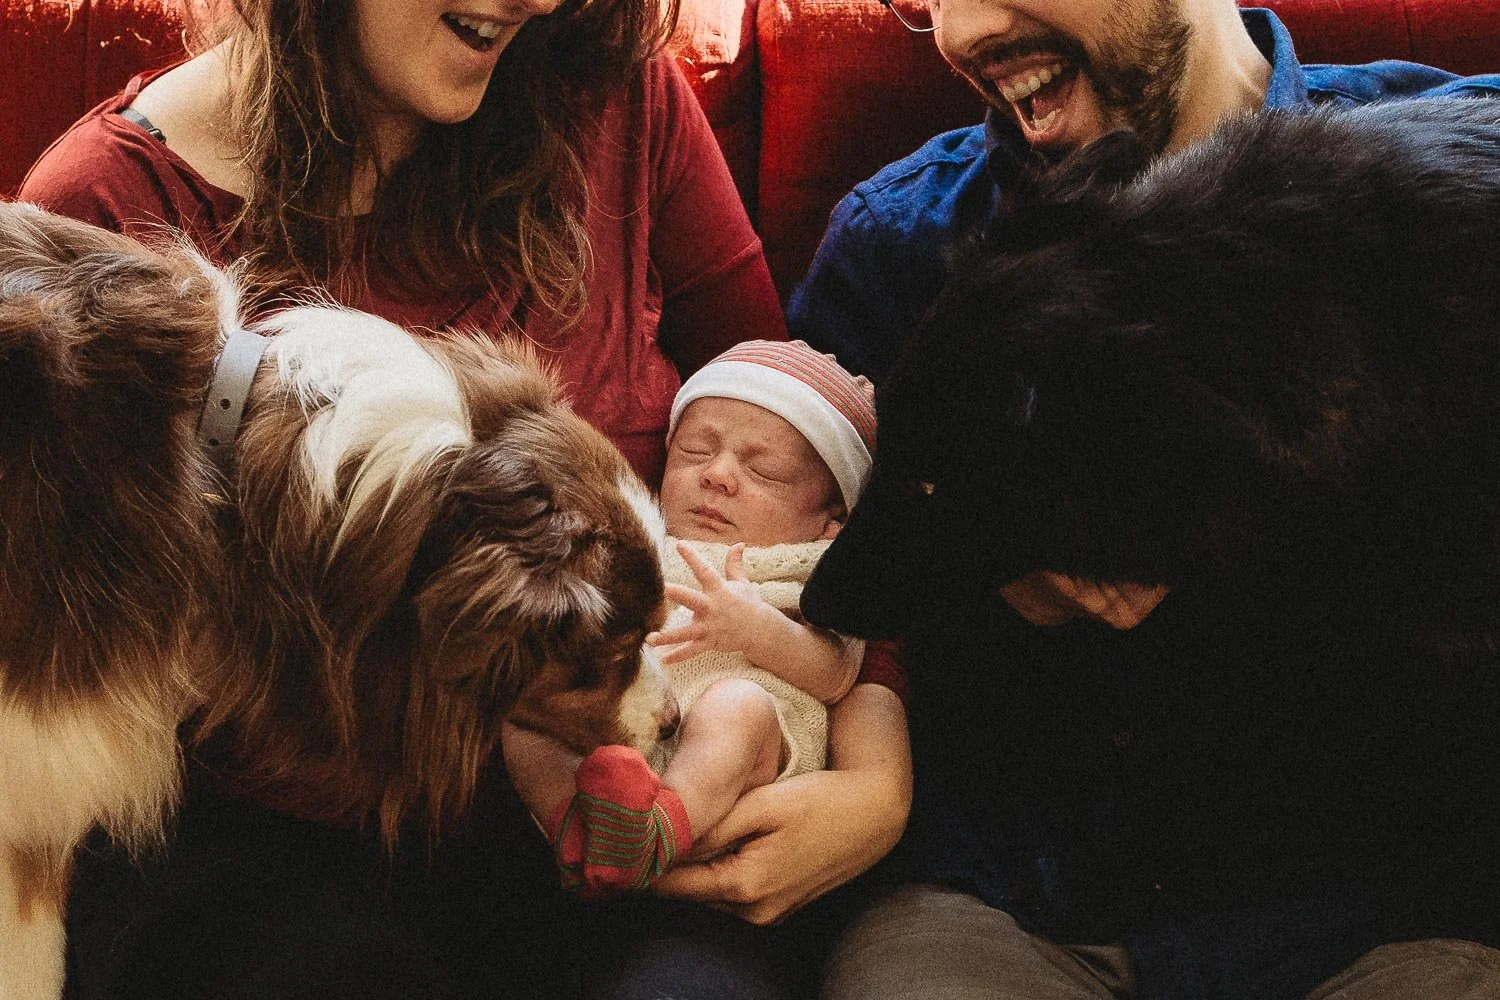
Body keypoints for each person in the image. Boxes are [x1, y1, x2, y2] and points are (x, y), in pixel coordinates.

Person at [19, 1, 910, 997]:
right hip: (274, 852)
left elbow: (808, 464)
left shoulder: (613, 94)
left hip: (649, 798)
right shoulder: (109, 206)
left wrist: (875, 786)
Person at [782, 0, 1500, 997]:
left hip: (1393, 918)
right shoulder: (897, 243)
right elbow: (799, 580)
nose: (959, 30)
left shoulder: (1459, 182)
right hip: (1010, 913)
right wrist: (991, 599)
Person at [503, 339, 877, 897]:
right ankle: (576, 832)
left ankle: (653, 837)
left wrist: (757, 630)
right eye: (696, 451)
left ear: (832, 520)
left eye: (765, 471)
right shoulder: (643, 541)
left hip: (739, 763)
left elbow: (837, 673)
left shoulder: (817, 574)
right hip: (619, 735)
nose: (718, 475)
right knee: (523, 720)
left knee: (735, 708)